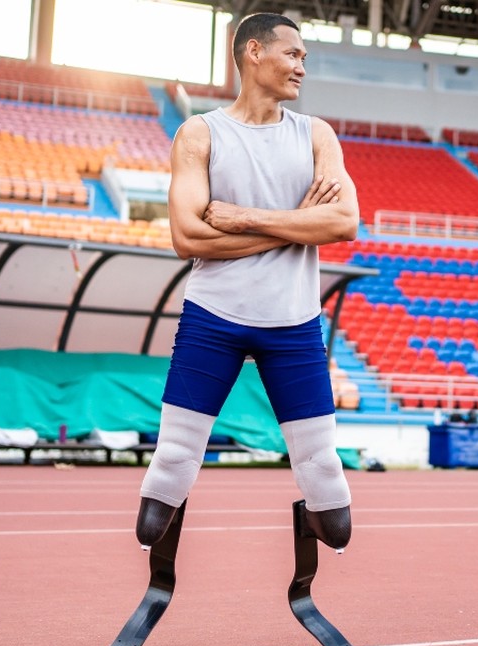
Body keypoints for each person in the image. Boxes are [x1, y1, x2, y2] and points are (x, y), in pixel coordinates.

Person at [134, 13, 360, 552]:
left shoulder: (316, 135)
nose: (302, 66)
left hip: (295, 321)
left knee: (325, 475)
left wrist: (243, 218)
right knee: (172, 458)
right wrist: (295, 225)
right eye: (294, 54)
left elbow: (344, 222)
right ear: (254, 53)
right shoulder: (200, 132)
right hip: (213, 317)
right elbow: (187, 237)